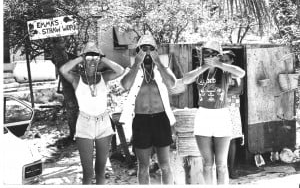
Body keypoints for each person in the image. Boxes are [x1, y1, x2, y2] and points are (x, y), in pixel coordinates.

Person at [59, 42, 124, 184]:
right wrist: (82, 57)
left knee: (101, 171)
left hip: (103, 124)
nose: (92, 60)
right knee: (88, 173)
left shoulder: (104, 76)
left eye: (95, 56)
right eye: (89, 56)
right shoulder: (76, 78)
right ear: (83, 58)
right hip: (85, 124)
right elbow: (63, 70)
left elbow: (120, 70)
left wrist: (102, 57)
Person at [182, 40, 245, 184]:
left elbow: (241, 73)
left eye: (212, 53)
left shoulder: (224, 70)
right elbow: (185, 80)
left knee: (222, 165)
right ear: (202, 55)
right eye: (206, 53)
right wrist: (205, 66)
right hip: (203, 116)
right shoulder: (200, 71)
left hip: (222, 115)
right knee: (207, 164)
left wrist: (219, 64)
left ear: (218, 55)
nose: (209, 56)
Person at [119, 32, 176, 184]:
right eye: (143, 49)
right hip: (141, 121)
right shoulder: (133, 70)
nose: (147, 52)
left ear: (156, 51)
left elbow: (172, 84)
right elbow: (125, 85)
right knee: (143, 166)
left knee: (165, 165)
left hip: (161, 119)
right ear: (138, 52)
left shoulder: (162, 69)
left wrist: (158, 62)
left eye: (150, 48)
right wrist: (136, 64)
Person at [222, 50, 244, 179]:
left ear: (232, 61)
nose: (223, 62)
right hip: (218, 108)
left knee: (232, 139)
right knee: (220, 138)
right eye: (222, 60)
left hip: (232, 108)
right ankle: (222, 170)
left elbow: (238, 89)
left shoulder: (236, 73)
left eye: (226, 60)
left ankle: (232, 170)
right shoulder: (217, 72)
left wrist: (222, 92)